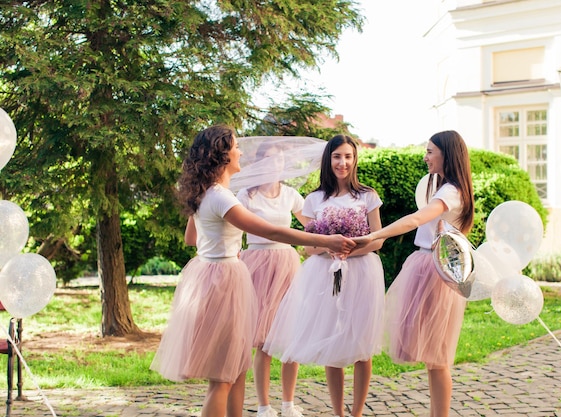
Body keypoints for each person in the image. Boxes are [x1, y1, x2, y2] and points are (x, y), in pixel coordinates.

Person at [150, 125, 356, 417]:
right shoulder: (223, 197)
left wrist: (217, 243)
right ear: (221, 155)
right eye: (235, 147)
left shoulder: (210, 193)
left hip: (216, 274)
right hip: (223, 280)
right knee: (223, 377)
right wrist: (325, 240)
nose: (241, 152)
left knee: (234, 372)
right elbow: (272, 231)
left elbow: (190, 239)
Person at [353, 130, 474, 417]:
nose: (425, 157)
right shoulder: (443, 186)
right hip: (427, 268)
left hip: (435, 274)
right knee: (434, 358)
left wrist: (375, 236)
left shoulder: (450, 191)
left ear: (447, 154)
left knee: (439, 356)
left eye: (430, 151)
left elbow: (418, 219)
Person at [263, 135, 385, 417]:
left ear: (355, 160)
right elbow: (307, 247)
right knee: (335, 340)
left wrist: (348, 252)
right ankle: (338, 413)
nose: (343, 163)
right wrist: (330, 249)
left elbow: (377, 239)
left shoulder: (367, 196)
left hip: (362, 272)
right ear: (328, 160)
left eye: (348, 157)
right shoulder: (314, 199)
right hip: (325, 274)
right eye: (337, 157)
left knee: (361, 343)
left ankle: (356, 413)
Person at [235, 141, 309, 417]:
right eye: (267, 159)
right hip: (257, 264)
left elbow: (311, 226)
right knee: (263, 340)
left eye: (278, 160)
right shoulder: (246, 195)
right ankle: (264, 405)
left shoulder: (290, 195)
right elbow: (232, 230)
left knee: (290, 336)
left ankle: (289, 404)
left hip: (287, 265)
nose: (273, 165)